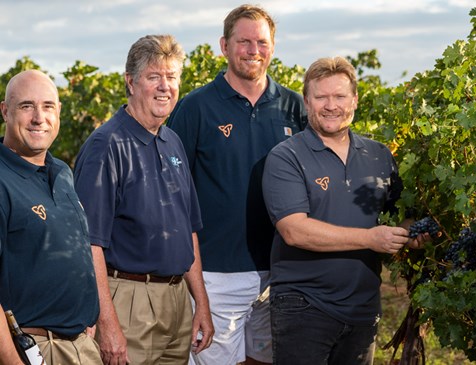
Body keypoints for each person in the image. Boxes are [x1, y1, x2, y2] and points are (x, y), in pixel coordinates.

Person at [262, 57, 430, 365]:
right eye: (321, 97)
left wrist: (410, 234)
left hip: (363, 309)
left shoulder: (379, 155)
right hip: (303, 307)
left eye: (339, 96)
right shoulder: (286, 156)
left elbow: (401, 215)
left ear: (354, 99)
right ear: (306, 101)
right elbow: (294, 230)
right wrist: (370, 238)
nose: (331, 105)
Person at [166, 4, 307, 365]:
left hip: (281, 272)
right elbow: (172, 195)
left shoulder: (295, 108)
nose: (253, 50)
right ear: (224, 46)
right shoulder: (195, 108)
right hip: (217, 273)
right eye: (243, 42)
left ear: (273, 46)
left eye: (261, 42)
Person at [73, 34, 214, 365]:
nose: (165, 86)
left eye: (172, 77)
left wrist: (201, 305)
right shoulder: (106, 145)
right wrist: (107, 324)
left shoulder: (173, 141)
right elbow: (88, 245)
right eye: (154, 77)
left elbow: (188, 229)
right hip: (129, 302)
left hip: (177, 302)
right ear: (131, 82)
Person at [0, 69, 102, 364]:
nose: (38, 117)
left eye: (47, 106)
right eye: (26, 106)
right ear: (5, 112)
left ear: (58, 112)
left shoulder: (62, 172)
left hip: (80, 347)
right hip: (34, 350)